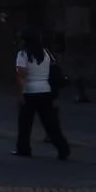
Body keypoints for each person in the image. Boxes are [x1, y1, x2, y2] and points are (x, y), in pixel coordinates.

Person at [14, 28, 70, 160]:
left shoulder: (23, 55)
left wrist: (20, 94)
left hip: (30, 91)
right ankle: (63, 148)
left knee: (25, 123)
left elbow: (21, 76)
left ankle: (23, 148)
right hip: (45, 91)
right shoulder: (46, 54)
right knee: (50, 123)